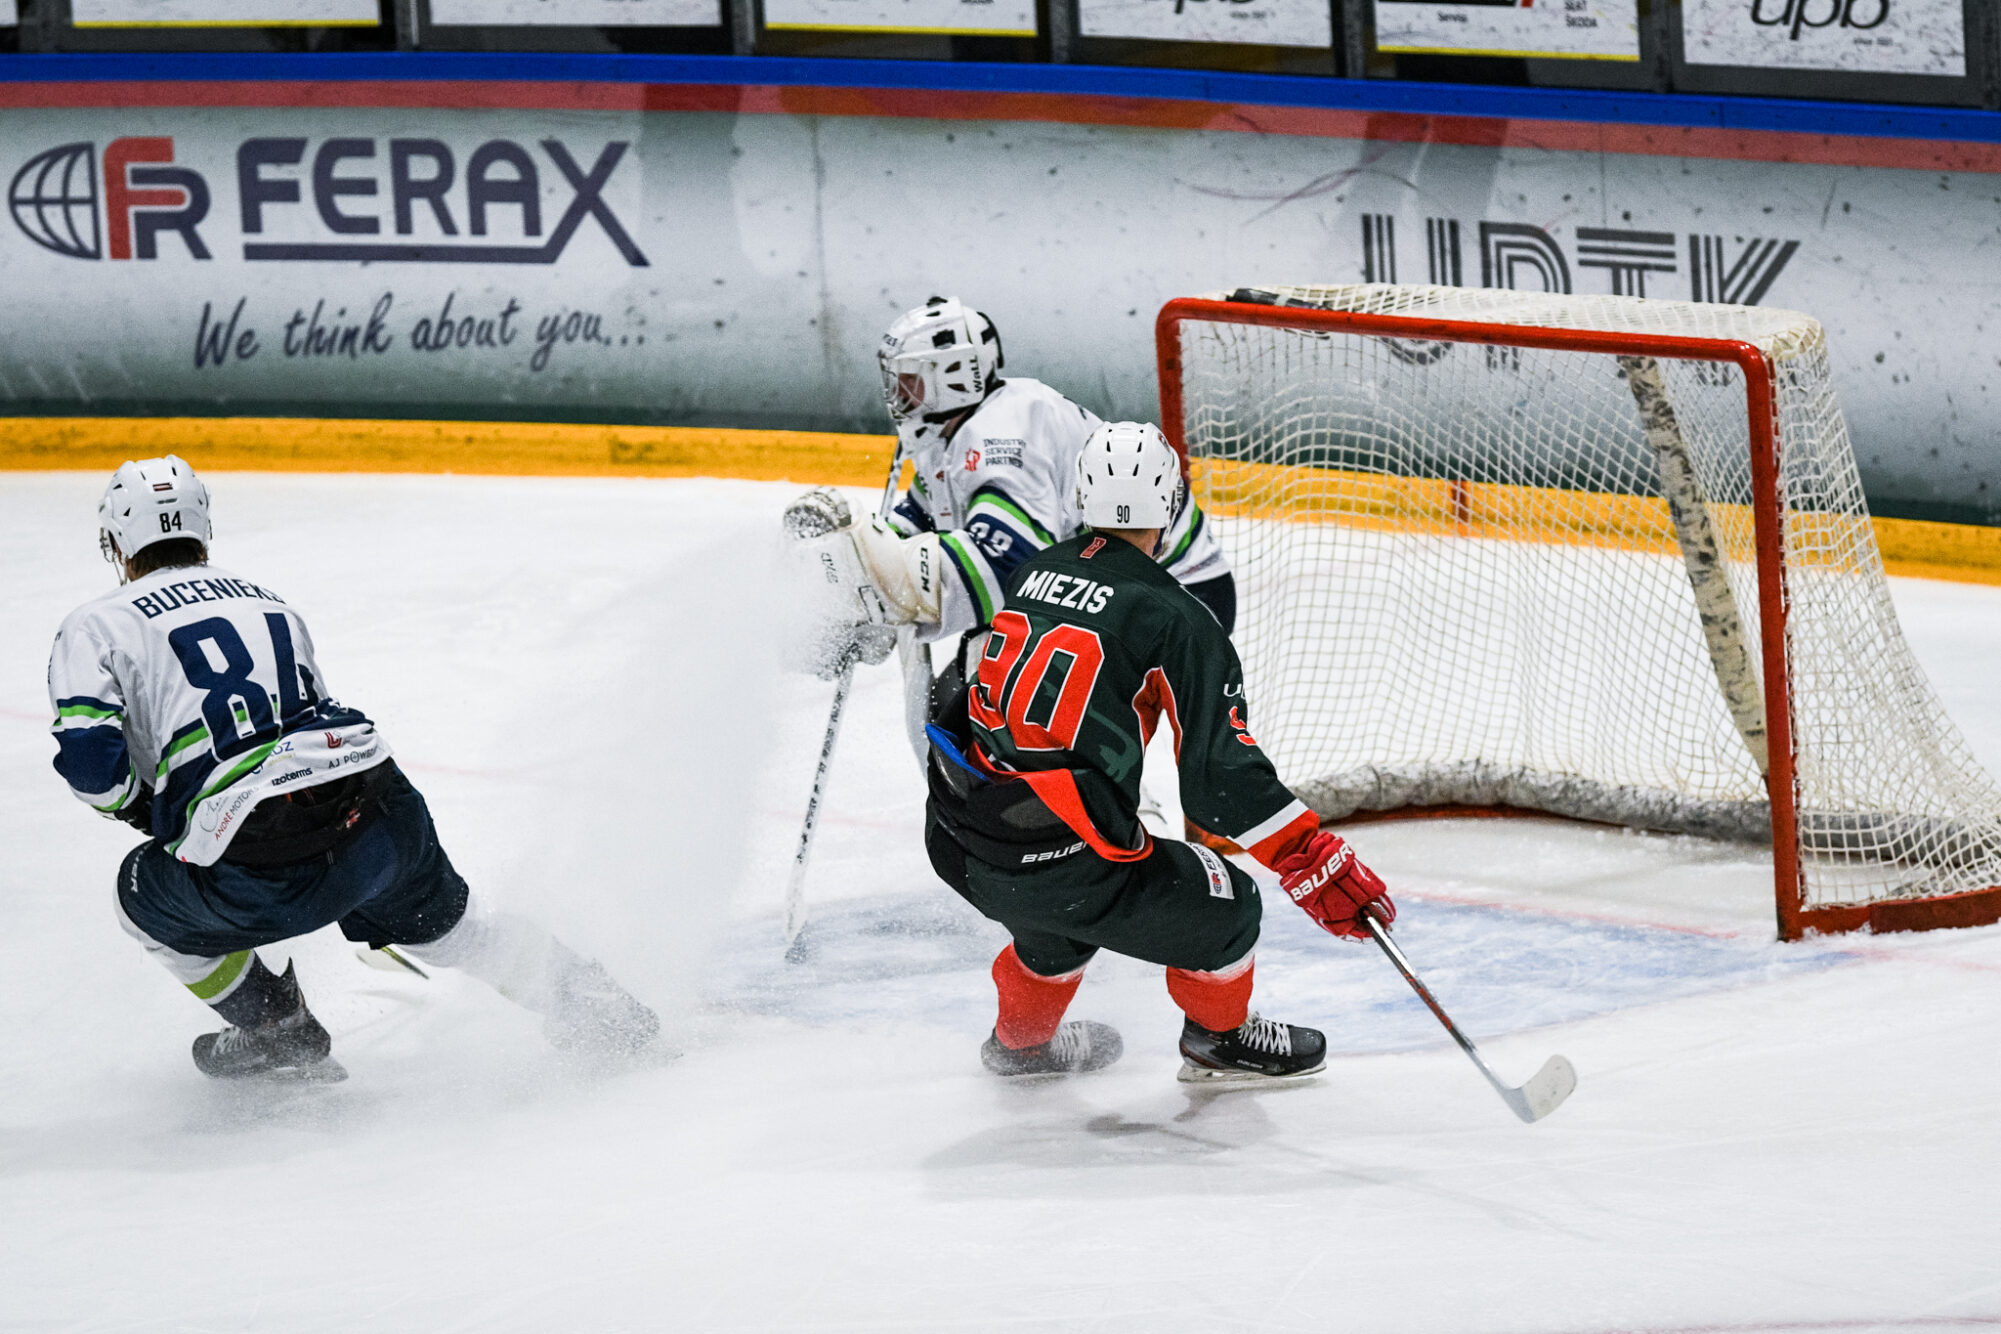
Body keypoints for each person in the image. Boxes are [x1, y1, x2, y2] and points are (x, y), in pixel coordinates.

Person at [48, 455, 658, 1082]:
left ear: (118, 541)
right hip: (377, 808)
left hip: (260, 859)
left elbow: (94, 769)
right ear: (201, 528)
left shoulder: (96, 625)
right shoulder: (268, 601)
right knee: (455, 932)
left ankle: (276, 1024)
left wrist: (145, 811)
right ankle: (597, 1006)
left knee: (137, 899)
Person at [921, 422, 1399, 1081]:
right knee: (1228, 905)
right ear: (1171, 504)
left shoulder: (1034, 573)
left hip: (961, 841)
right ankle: (1219, 1041)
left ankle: (1019, 1048)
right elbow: (1218, 783)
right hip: (1060, 864)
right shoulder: (1176, 618)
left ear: (1081, 497)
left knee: (1054, 931)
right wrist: (1310, 857)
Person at [786, 296, 1236, 655]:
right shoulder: (949, 439)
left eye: (910, 381)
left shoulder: (1006, 432)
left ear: (953, 375)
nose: (898, 394)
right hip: (1117, 588)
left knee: (995, 670)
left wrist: (889, 585)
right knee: (966, 696)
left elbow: (1009, 565)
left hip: (1181, 597)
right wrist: (856, 601)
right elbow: (913, 528)